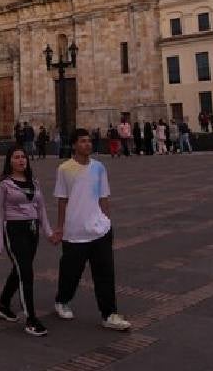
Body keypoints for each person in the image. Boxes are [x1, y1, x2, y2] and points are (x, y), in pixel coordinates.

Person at [52, 129, 131, 331]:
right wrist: (60, 228)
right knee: (71, 272)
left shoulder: (99, 168)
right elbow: (62, 201)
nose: (88, 144)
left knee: (105, 273)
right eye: (83, 141)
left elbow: (104, 197)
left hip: (99, 230)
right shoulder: (64, 169)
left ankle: (109, 314)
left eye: (89, 141)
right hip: (74, 230)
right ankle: (62, 300)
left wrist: (107, 222)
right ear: (74, 145)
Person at [0, 147, 51, 337]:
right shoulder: (4, 185)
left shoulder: (34, 182)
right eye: (16, 157)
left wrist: (48, 232)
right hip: (14, 231)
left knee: (19, 269)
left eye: (23, 157)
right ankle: (31, 319)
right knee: (26, 273)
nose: (21, 160)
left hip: (32, 231)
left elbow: (41, 209)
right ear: (9, 161)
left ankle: (3, 303)